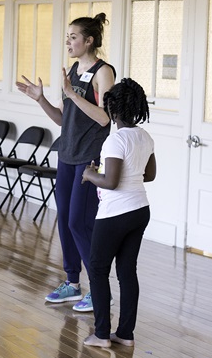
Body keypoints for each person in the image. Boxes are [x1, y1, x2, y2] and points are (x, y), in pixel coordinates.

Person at [15, 13, 116, 312]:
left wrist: (72, 93)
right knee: (65, 222)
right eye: (67, 37)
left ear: (89, 41)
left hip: (90, 158)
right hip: (67, 155)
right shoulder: (72, 70)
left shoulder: (103, 72)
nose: (68, 43)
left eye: (73, 37)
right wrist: (40, 99)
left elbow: (105, 117)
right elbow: (62, 118)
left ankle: (99, 290)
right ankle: (72, 282)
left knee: (79, 222)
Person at [80, 78, 156, 348]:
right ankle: (125, 334)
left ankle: (101, 334)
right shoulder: (144, 137)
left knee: (98, 269)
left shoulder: (115, 140)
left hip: (115, 213)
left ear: (112, 109)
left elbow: (110, 182)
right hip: (140, 209)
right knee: (126, 271)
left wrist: (90, 174)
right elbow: (149, 175)